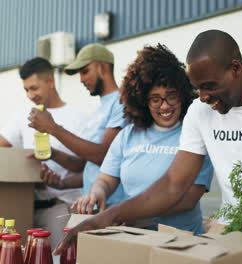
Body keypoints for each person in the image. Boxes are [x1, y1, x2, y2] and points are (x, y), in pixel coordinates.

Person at [54, 30, 242, 254]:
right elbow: (173, 184)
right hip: (233, 238)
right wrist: (107, 217)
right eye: (197, 88)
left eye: (209, 86)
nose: (203, 97)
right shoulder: (200, 111)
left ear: (235, 68)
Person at [72, 44, 213, 234]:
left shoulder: (193, 134)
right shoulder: (128, 135)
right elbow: (106, 179)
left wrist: (131, 214)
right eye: (155, 99)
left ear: (182, 94)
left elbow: (188, 199)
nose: (164, 106)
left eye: (171, 96)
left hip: (182, 239)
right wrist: (97, 193)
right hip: (136, 237)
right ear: (142, 101)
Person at [0, 57, 86, 248]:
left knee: (54, 257)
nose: (30, 95)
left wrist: (52, 154)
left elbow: (83, 165)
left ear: (50, 81)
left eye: (34, 88)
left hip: (60, 206)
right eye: (26, 90)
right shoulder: (22, 116)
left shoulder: (78, 119)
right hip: (25, 203)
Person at [28, 44, 127, 208]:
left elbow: (103, 157)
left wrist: (52, 127)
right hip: (90, 205)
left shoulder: (121, 103)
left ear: (103, 67)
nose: (81, 79)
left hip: (112, 206)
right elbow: (84, 164)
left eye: (85, 71)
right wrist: (54, 160)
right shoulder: (98, 111)